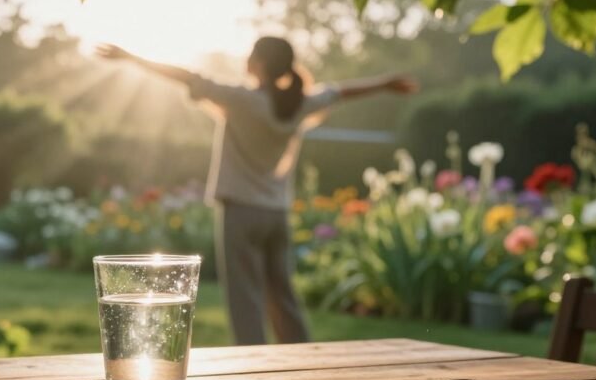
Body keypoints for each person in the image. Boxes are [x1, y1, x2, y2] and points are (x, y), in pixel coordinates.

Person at [97, 37, 417, 345]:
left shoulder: (243, 100)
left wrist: (132, 58)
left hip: (240, 212)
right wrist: (385, 83)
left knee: (244, 299)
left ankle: (252, 359)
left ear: (260, 64)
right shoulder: (299, 104)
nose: (246, 58)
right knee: (283, 296)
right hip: (275, 214)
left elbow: (188, 77)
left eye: (252, 53)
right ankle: (302, 357)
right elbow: (340, 92)